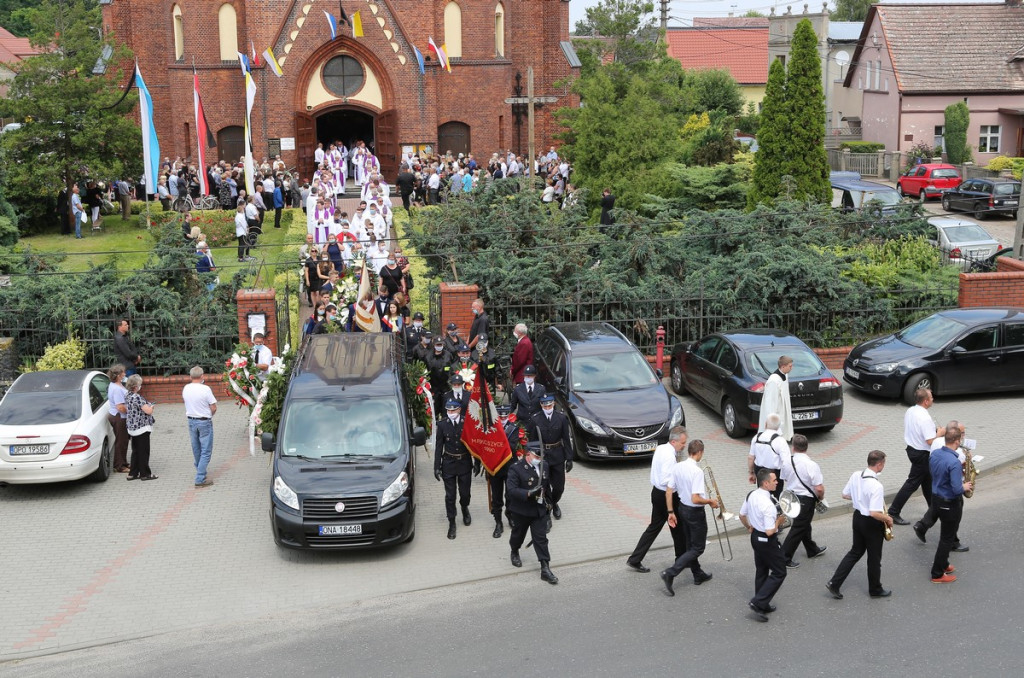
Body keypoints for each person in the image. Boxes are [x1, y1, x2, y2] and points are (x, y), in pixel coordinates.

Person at [826, 450, 894, 600]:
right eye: (884, 463)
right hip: (871, 523)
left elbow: (844, 494)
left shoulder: (856, 474)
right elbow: (874, 513)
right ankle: (875, 589)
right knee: (874, 558)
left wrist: (859, 499)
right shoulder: (876, 486)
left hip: (857, 518)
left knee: (855, 552)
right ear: (880, 464)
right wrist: (888, 519)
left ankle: (834, 583)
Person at [627, 426, 688, 574]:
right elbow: (667, 482)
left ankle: (635, 559)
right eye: (682, 443)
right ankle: (680, 559)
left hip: (656, 493)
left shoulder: (661, 448)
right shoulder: (669, 457)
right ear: (674, 441)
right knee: (677, 527)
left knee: (655, 526)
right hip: (666, 496)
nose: (684, 445)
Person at [659, 439, 716, 596]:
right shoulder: (697, 472)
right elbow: (696, 499)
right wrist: (710, 501)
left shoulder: (678, 467)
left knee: (690, 545)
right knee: (698, 548)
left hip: (681, 509)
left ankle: (697, 574)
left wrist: (671, 512)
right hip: (694, 512)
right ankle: (670, 572)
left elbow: (669, 491)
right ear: (699, 453)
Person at [912, 419, 970, 553]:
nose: (963, 436)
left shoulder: (938, 442)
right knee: (955, 513)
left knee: (936, 506)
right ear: (955, 434)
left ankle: (922, 526)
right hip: (950, 484)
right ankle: (953, 542)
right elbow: (960, 465)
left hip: (936, 481)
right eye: (962, 433)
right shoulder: (957, 451)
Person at [888, 388, 944, 526]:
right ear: (925, 401)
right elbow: (930, 441)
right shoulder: (925, 417)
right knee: (912, 483)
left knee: (927, 482)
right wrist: (940, 432)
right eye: (931, 397)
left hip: (912, 449)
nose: (933, 399)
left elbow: (918, 431)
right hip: (922, 454)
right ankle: (893, 511)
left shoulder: (911, 410)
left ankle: (933, 509)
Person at [739, 469, 788, 621]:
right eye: (774, 480)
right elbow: (769, 532)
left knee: (762, 570)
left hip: (755, 538)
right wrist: (779, 522)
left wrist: (749, 527)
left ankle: (763, 603)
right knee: (780, 572)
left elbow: (742, 514)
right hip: (767, 541)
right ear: (766, 483)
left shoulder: (752, 495)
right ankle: (758, 602)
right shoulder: (768, 505)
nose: (777, 482)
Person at [506, 441, 558, 584]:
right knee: (518, 535)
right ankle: (514, 551)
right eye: (536, 456)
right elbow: (511, 490)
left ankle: (545, 568)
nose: (539, 459)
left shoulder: (544, 466)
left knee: (540, 539)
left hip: (539, 510)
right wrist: (528, 493)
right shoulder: (516, 469)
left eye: (541, 457)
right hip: (522, 510)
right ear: (527, 454)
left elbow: (547, 488)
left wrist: (549, 506)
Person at [928, 426, 972, 583]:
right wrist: (964, 487)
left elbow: (937, 472)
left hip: (936, 498)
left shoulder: (935, 454)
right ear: (957, 441)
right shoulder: (953, 462)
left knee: (944, 536)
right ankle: (937, 573)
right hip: (949, 503)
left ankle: (944, 563)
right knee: (947, 539)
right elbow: (956, 489)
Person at [779, 434, 827, 568]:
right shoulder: (811, 465)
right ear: (807, 447)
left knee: (804, 524)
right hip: (806, 500)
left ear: (793, 447)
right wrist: (820, 498)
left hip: (792, 497)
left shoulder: (787, 461)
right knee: (798, 528)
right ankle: (784, 558)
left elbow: (785, 479)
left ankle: (812, 549)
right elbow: (819, 488)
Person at [434, 400, 478, 539]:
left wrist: (477, 462)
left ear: (459, 410)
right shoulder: (442, 425)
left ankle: (464, 508)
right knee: (450, 496)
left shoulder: (467, 423)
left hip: (464, 462)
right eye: (448, 411)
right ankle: (452, 522)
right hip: (449, 463)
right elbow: (439, 446)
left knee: (465, 494)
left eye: (453, 411)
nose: (450, 413)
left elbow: (474, 443)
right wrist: (436, 466)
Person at [531, 394, 573, 521]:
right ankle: (547, 511)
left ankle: (554, 502)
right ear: (541, 405)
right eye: (545, 405)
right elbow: (532, 442)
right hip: (543, 457)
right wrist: (533, 459)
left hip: (557, 455)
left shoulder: (561, 418)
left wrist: (569, 458)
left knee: (559, 487)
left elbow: (566, 439)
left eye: (550, 405)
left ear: (554, 404)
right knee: (544, 485)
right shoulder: (535, 419)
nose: (547, 407)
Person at [183, 366, 217, 488]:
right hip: (204, 421)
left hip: (191, 420)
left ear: (191, 376)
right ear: (202, 376)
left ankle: (200, 470)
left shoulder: (186, 388)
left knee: (196, 448)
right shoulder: (206, 389)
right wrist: (209, 415)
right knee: (206, 450)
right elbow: (213, 407)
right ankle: (200, 477)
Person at [747, 413, 790, 500]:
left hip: (760, 473)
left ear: (765, 424)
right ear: (778, 427)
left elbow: (751, 457)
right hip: (775, 475)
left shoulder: (757, 437)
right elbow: (786, 462)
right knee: (776, 499)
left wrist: (751, 473)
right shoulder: (780, 441)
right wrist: (786, 476)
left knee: (762, 496)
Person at [124, 374, 157, 481]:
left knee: (136, 451)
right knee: (144, 451)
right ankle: (145, 474)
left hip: (132, 428)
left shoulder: (127, 395)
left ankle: (133, 473)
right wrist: (151, 407)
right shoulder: (137, 397)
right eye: (139, 384)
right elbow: (148, 411)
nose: (140, 386)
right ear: (135, 386)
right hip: (141, 428)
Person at [757, 356, 794, 441]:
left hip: (783, 410)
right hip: (776, 412)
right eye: (790, 366)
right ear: (783, 366)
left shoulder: (785, 375)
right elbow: (770, 403)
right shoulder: (773, 381)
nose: (792, 368)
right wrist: (771, 421)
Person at [106, 364, 130, 473]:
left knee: (123, 440)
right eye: (123, 373)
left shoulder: (117, 385)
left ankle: (123, 462)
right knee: (121, 441)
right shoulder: (116, 389)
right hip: (119, 417)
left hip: (118, 416)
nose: (125, 374)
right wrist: (132, 410)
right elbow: (120, 407)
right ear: (119, 375)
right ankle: (119, 466)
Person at [509, 364, 545, 432]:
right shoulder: (518, 389)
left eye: (530, 375)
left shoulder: (541, 389)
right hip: (522, 423)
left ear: (534, 376)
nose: (528, 377)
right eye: (526, 375)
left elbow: (544, 405)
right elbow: (512, 406)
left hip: (537, 423)